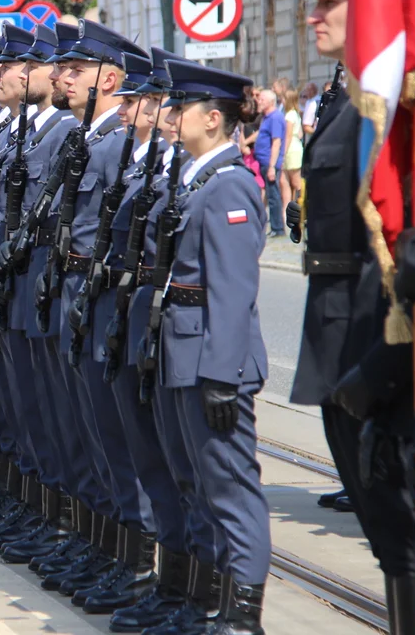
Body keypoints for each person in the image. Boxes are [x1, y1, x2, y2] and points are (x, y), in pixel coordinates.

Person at [287, 0, 415, 632]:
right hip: (338, 342)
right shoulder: (347, 102)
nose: (316, 14)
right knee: (388, 544)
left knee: (408, 541)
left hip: (380, 347)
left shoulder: (399, 101)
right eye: (316, 0)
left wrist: (385, 365)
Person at [160, 58, 270, 634]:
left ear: (212, 117)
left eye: (182, 109)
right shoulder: (197, 178)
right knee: (198, 486)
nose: (172, 118)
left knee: (231, 490)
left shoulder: (229, 183)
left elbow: (230, 291)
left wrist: (224, 375)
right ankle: (210, 606)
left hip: (211, 360)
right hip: (185, 354)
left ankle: (242, 619)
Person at [253, 88, 286, 236]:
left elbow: (276, 142)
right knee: (269, 195)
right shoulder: (266, 117)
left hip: (269, 162)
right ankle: (273, 226)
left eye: (262, 100)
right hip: (263, 161)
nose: (259, 102)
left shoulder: (275, 117)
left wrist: (272, 166)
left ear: (271, 102)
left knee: (273, 196)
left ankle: (278, 228)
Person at [282, 88, 304, 203]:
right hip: (296, 147)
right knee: (289, 181)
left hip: (291, 150)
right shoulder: (296, 114)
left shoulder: (289, 116)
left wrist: (283, 153)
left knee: (295, 182)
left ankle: (303, 205)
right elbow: (300, 134)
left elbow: (288, 135)